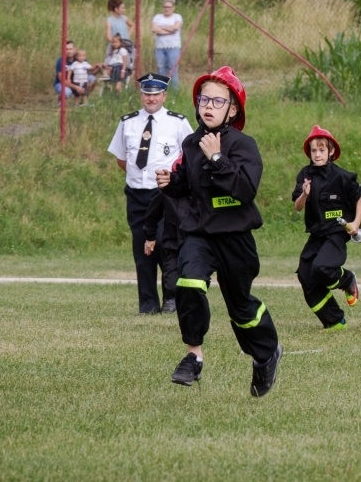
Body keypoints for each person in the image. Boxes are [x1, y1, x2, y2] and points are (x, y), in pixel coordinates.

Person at [156, 66, 283, 397]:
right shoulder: (191, 143)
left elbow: (245, 190)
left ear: (233, 109)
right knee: (188, 282)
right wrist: (171, 183)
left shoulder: (244, 145)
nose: (208, 106)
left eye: (217, 101)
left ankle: (266, 354)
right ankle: (193, 355)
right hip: (199, 234)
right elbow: (188, 187)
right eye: (203, 99)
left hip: (235, 237)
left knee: (241, 308)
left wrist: (216, 157)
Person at [107, 73, 193, 315]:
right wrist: (139, 177)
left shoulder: (177, 123)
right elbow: (121, 159)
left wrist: (174, 183)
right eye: (147, 94)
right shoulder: (128, 122)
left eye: (156, 94)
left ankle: (171, 298)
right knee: (141, 249)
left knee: (166, 244)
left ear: (164, 95)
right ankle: (148, 304)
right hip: (137, 195)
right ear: (141, 95)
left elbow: (190, 157)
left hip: (165, 194)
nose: (151, 99)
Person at [292, 125, 361, 331]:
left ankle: (347, 279)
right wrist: (304, 194)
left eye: (321, 150)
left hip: (336, 233)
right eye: (313, 150)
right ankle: (334, 321)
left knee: (321, 267)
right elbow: (297, 206)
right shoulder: (305, 174)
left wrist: (356, 224)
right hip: (317, 234)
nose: (317, 154)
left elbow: (360, 200)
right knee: (305, 274)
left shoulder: (341, 176)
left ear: (331, 151)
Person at [142, 156, 186, 314]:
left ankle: (189, 301)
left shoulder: (200, 189)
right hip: (172, 240)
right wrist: (150, 237)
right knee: (171, 273)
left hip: (195, 239)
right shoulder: (166, 192)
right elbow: (152, 215)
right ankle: (170, 300)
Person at [151, 0, 183, 90]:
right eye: (165, 7)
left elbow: (175, 27)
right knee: (160, 69)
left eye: (169, 7)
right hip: (160, 47)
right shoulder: (157, 17)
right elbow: (154, 29)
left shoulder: (177, 17)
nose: (167, 9)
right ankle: (161, 90)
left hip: (173, 47)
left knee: (173, 69)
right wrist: (169, 30)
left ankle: (175, 91)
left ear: (173, 7)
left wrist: (161, 28)